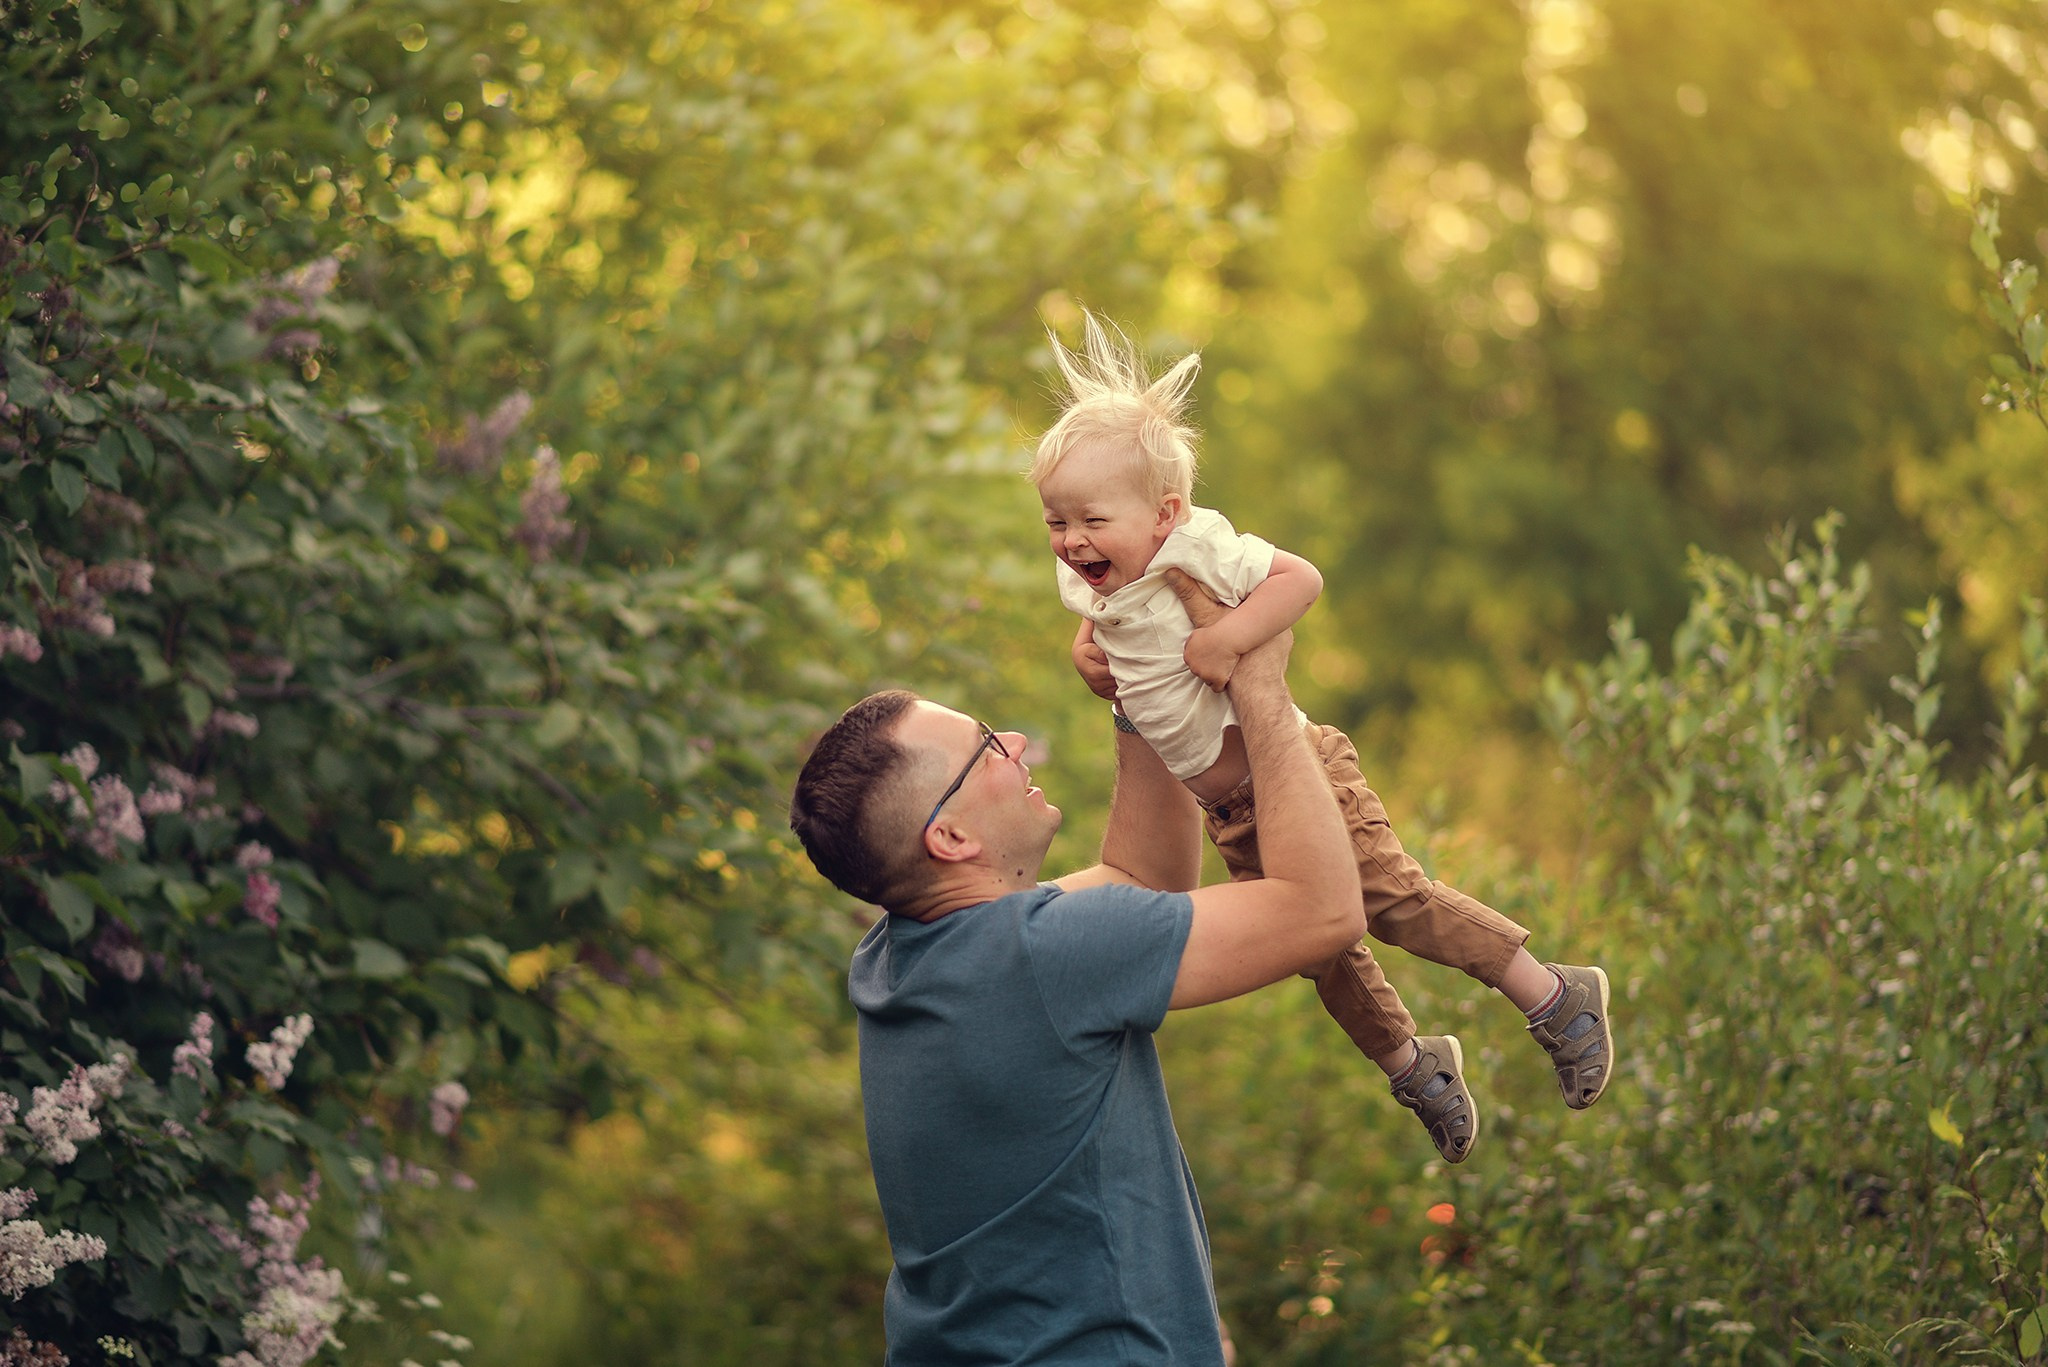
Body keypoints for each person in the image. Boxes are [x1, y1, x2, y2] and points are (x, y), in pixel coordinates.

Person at [1027, 313, 1614, 1164]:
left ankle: (1555, 993)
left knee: (1392, 901)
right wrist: (1092, 654)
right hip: (1225, 803)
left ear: (1166, 512)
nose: (1072, 540)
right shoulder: (1093, 578)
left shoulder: (1200, 547)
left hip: (1298, 769)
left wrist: (1229, 641)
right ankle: (1415, 1065)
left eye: (1089, 519)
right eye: (1054, 521)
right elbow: (1121, 640)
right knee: (1314, 946)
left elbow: (1301, 580)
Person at [790, 584, 1361, 1366]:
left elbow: (1142, 877)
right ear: (950, 835)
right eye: (987, 745)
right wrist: (1259, 684)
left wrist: (1135, 693)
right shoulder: (1045, 954)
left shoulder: (898, 957)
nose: (1017, 742)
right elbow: (1323, 909)